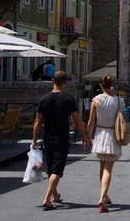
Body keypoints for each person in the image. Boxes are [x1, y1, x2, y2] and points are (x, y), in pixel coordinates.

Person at [32, 71, 91, 211]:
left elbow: (38, 121)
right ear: (64, 83)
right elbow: (77, 121)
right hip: (62, 138)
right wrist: (84, 136)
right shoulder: (68, 99)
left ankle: (55, 194)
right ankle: (47, 199)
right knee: (57, 170)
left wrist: (34, 140)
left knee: (51, 167)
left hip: (47, 138)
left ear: (52, 81)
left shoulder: (43, 99)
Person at [87, 74, 123, 213]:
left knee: (102, 166)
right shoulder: (119, 101)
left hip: (100, 134)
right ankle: (102, 197)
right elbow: (121, 120)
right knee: (108, 169)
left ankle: (104, 195)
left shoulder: (96, 100)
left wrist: (88, 137)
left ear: (101, 85)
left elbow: (90, 122)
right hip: (112, 135)